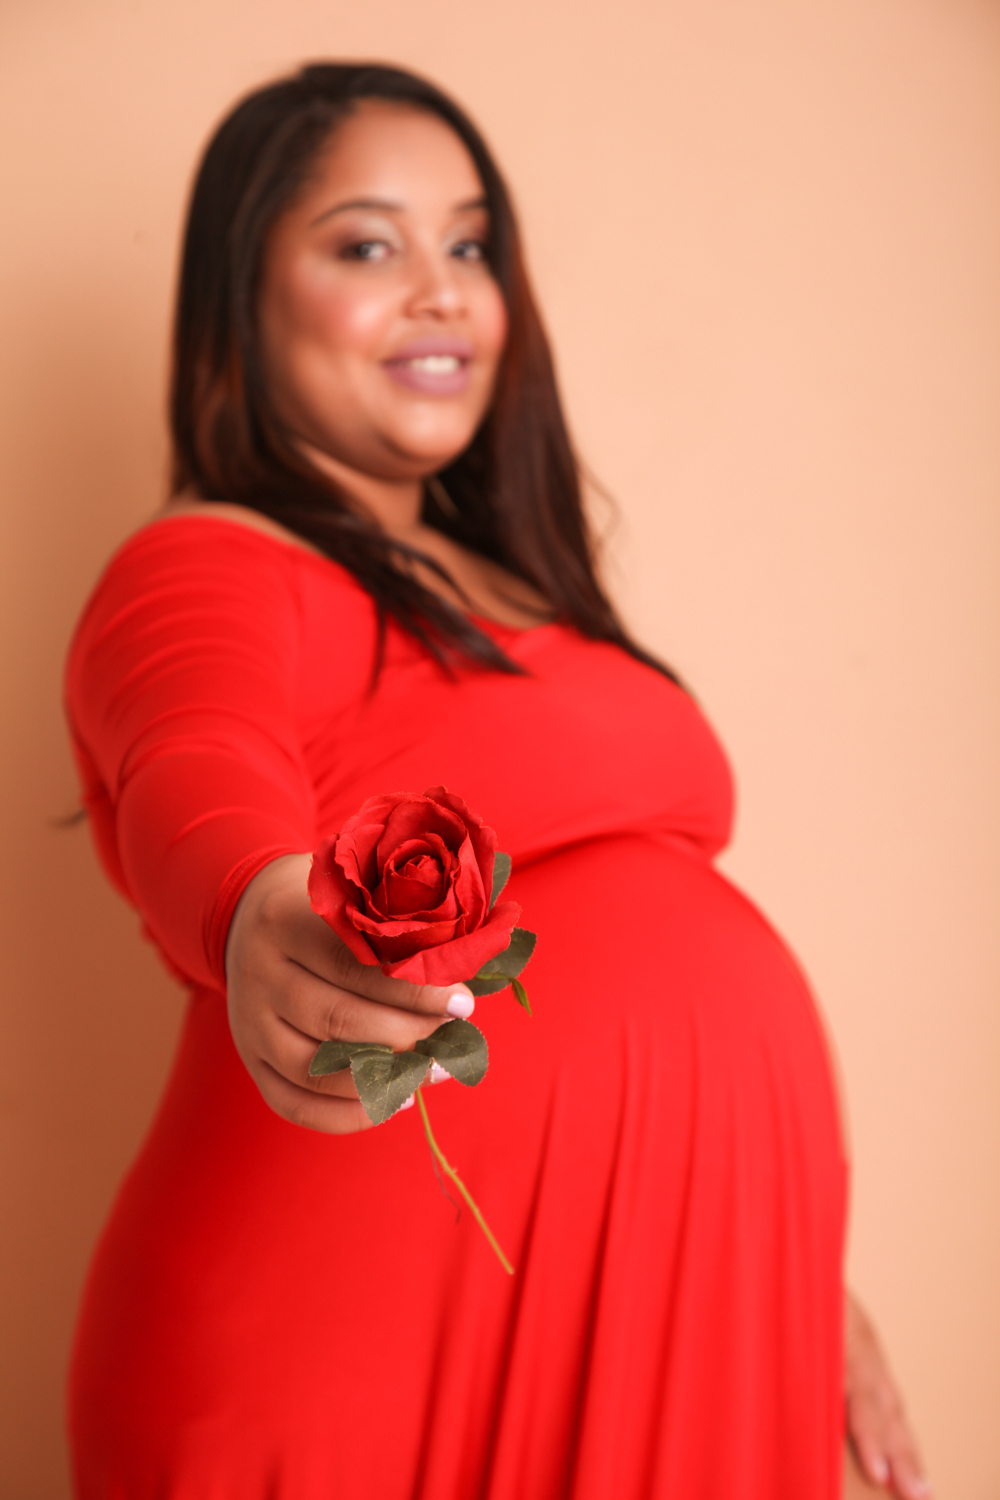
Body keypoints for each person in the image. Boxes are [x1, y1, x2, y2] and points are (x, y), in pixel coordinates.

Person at [64, 62, 929, 1500]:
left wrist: (789, 1267)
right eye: (367, 245)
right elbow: (192, 760)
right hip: (354, 1349)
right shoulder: (205, 562)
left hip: (676, 1313)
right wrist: (255, 907)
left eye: (470, 245)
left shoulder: (528, 592)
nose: (441, 292)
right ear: (242, 297)